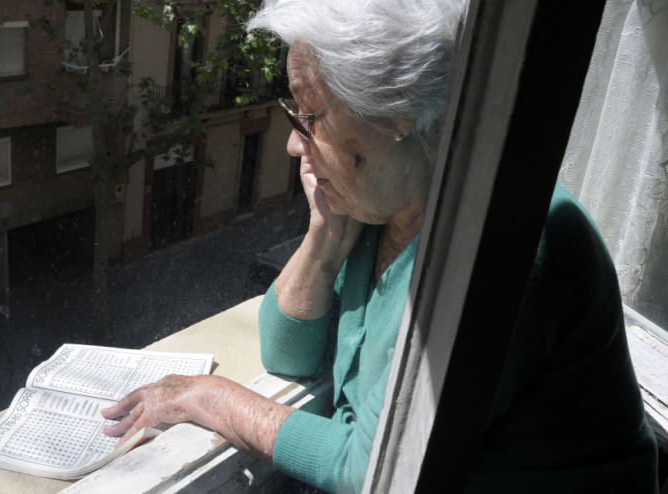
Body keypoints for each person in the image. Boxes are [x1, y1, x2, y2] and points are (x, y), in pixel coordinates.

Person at [102, 0, 659, 492]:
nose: (295, 143)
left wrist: (208, 397)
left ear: (396, 112)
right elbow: (285, 351)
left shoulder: (508, 243)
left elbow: (371, 465)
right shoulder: (383, 206)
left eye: (309, 114)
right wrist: (324, 235)